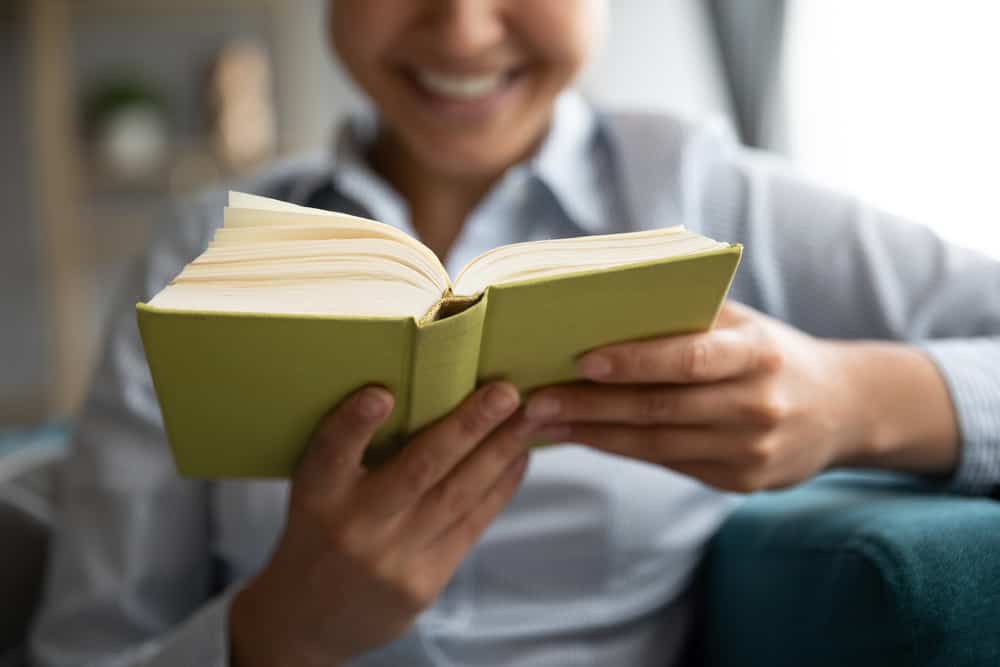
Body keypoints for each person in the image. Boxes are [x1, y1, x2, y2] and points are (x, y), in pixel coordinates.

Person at [30, 1, 1000, 665]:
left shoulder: (707, 192)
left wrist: (854, 402)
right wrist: (277, 632)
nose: (460, 28)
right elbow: (85, 646)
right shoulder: (203, 250)